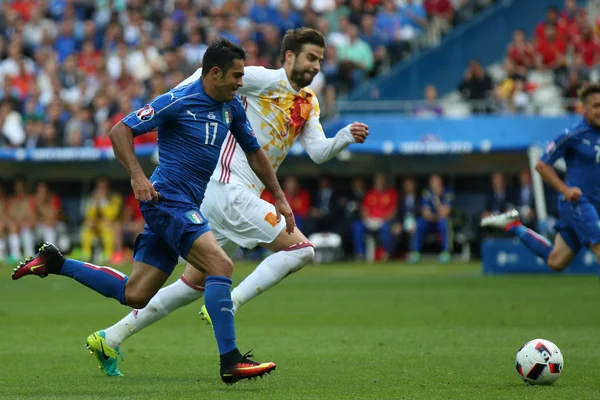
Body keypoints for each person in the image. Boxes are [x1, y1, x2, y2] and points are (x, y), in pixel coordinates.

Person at [86, 28, 370, 376]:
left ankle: (111, 337)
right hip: (228, 187)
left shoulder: (309, 102)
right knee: (301, 250)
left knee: (194, 285)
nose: (315, 66)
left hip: (236, 194)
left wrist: (344, 137)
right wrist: (175, 103)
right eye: (310, 57)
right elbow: (205, 77)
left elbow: (318, 152)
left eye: (320, 60)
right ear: (290, 56)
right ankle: (230, 306)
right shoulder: (262, 78)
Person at [12, 39, 294, 384]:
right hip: (166, 199)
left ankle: (57, 263)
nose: (240, 82)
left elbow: (254, 152)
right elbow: (121, 130)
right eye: (236, 76)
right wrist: (137, 176)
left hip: (184, 204)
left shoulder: (231, 108)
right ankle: (231, 361)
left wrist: (278, 195)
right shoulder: (178, 101)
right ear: (215, 73)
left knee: (136, 294)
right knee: (220, 265)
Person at [481, 84, 600, 273]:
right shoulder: (573, 134)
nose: (599, 110)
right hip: (579, 203)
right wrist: (565, 190)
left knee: (556, 261)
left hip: (597, 204)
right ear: (584, 108)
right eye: (595, 106)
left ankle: (513, 225)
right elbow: (541, 165)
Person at [409, 174, 454, 264]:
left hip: (441, 222)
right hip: (430, 222)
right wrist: (437, 216)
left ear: (441, 183)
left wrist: (436, 199)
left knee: (444, 223)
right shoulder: (426, 193)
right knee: (419, 223)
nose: (436, 185)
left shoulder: (448, 193)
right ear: (430, 183)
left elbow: (445, 213)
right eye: (434, 182)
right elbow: (426, 213)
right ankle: (416, 253)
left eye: (438, 182)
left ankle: (445, 253)